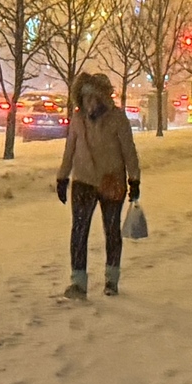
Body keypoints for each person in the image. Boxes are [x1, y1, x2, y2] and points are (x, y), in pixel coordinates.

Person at [56, 71, 141, 299]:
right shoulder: (78, 119)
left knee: (111, 229)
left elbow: (129, 151)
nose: (90, 103)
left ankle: (111, 279)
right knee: (79, 230)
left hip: (111, 181)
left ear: (103, 97)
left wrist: (134, 179)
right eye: (85, 98)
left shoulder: (117, 118)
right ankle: (78, 282)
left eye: (94, 97)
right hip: (82, 181)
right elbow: (69, 150)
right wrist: (62, 177)